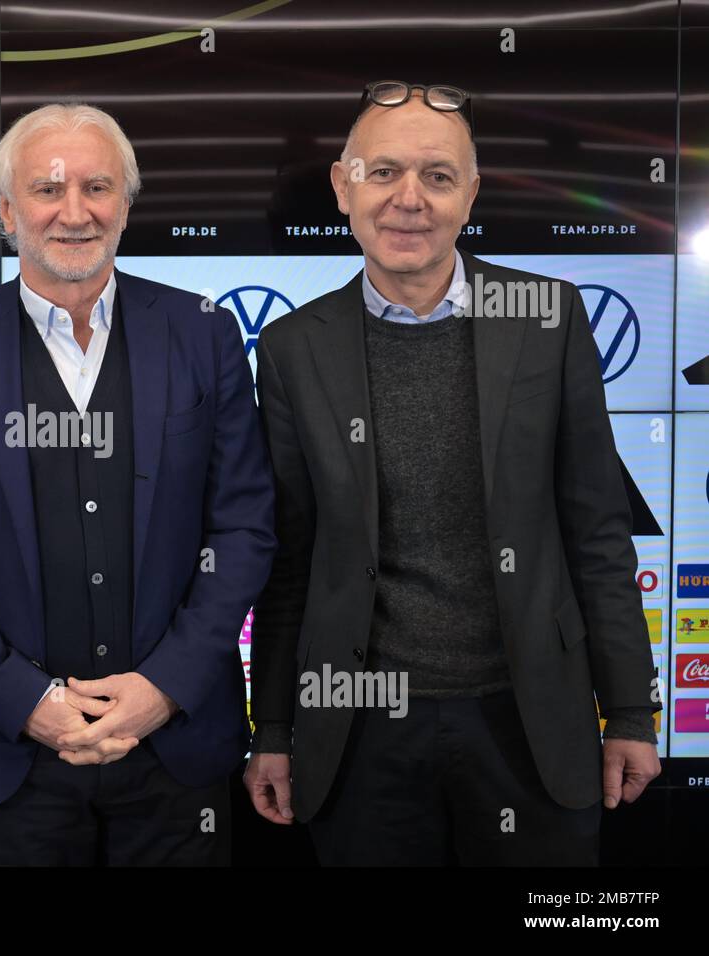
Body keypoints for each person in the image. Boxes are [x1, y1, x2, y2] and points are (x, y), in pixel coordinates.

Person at [245, 80, 661, 866]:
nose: (410, 199)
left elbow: (597, 535)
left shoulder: (549, 317)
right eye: (384, 172)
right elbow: (290, 561)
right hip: (360, 730)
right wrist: (271, 728)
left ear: (470, 194)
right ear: (343, 186)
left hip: (531, 722)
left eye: (438, 177)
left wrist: (632, 712)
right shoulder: (294, 348)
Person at [0, 103, 275, 866]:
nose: (74, 212)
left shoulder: (204, 332)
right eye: (47, 189)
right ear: (6, 210)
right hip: (9, 758)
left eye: (97, 187)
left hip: (179, 752)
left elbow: (245, 528)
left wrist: (165, 686)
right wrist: (27, 703)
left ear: (125, 204)